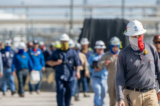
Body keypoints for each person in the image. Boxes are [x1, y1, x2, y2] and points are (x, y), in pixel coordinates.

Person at [116, 20, 160, 106]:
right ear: (129, 36)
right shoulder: (123, 54)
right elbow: (119, 78)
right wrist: (120, 98)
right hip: (131, 95)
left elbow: (159, 70)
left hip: (150, 94)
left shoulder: (151, 49)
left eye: (139, 35)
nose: (137, 38)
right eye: (134, 36)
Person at [46, 34, 81, 106]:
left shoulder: (73, 52)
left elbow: (77, 63)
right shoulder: (56, 52)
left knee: (69, 91)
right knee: (60, 91)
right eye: (62, 42)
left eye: (65, 42)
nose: (64, 43)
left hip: (70, 76)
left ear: (68, 42)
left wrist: (77, 72)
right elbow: (48, 62)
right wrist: (56, 62)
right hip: (59, 76)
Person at [98, 37, 120, 106]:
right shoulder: (107, 55)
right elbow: (99, 64)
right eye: (114, 47)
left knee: (121, 96)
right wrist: (104, 63)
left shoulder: (122, 54)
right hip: (111, 77)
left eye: (117, 47)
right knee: (112, 96)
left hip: (121, 77)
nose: (115, 48)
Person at [88, 40, 108, 106]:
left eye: (102, 48)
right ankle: (97, 104)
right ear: (96, 48)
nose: (100, 49)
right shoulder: (92, 56)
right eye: (99, 48)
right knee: (97, 91)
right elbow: (88, 67)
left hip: (104, 78)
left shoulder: (106, 56)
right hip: (95, 78)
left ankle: (102, 104)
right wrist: (94, 70)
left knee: (104, 92)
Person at [153, 35, 160, 105]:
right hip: (153, 80)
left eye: (159, 42)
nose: (158, 44)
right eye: (156, 42)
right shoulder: (150, 54)